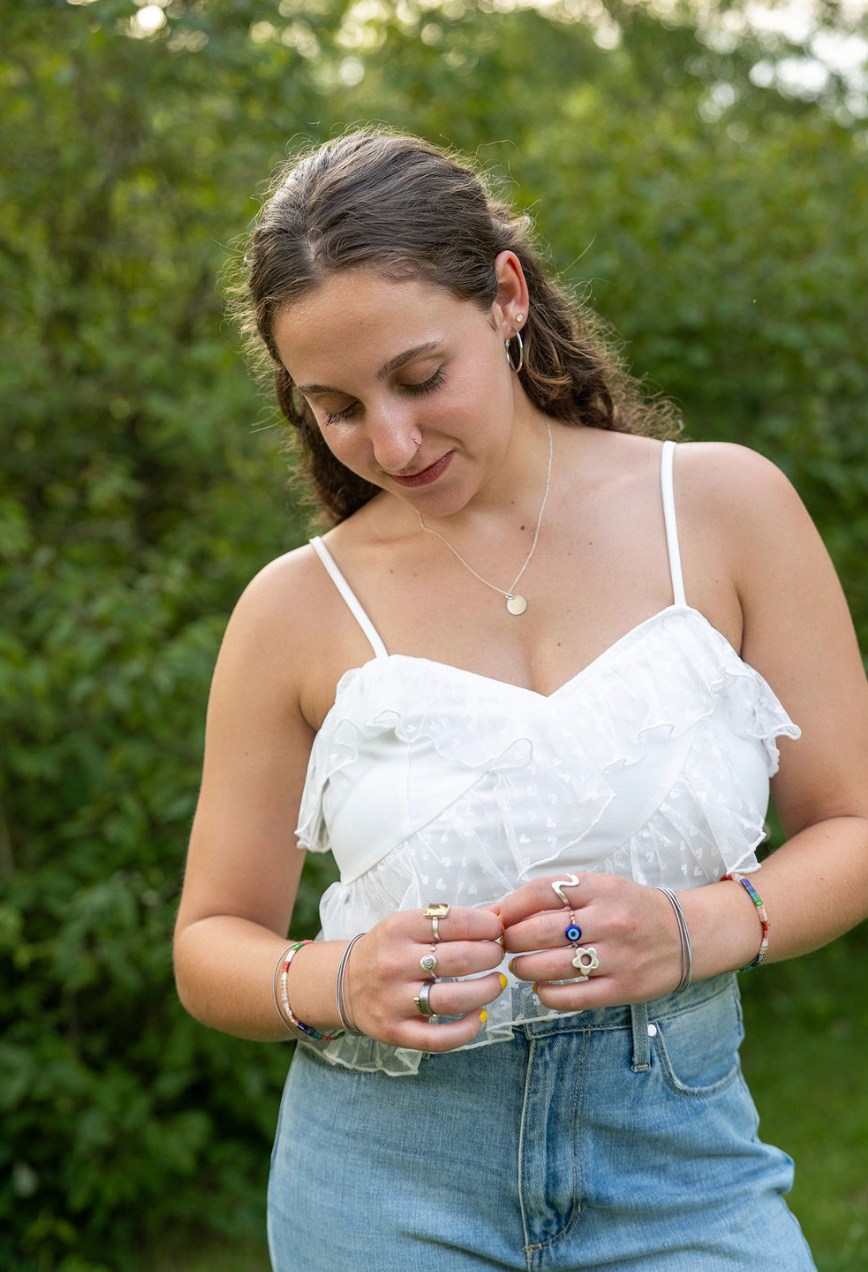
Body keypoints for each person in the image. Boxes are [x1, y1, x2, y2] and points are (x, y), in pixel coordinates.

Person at [173, 130, 868, 1272]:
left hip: (681, 1161)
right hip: (378, 1182)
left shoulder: (726, 511)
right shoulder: (292, 608)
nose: (388, 443)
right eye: (336, 407)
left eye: (417, 377)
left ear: (505, 294)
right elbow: (211, 943)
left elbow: (849, 828)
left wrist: (696, 928)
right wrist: (338, 977)